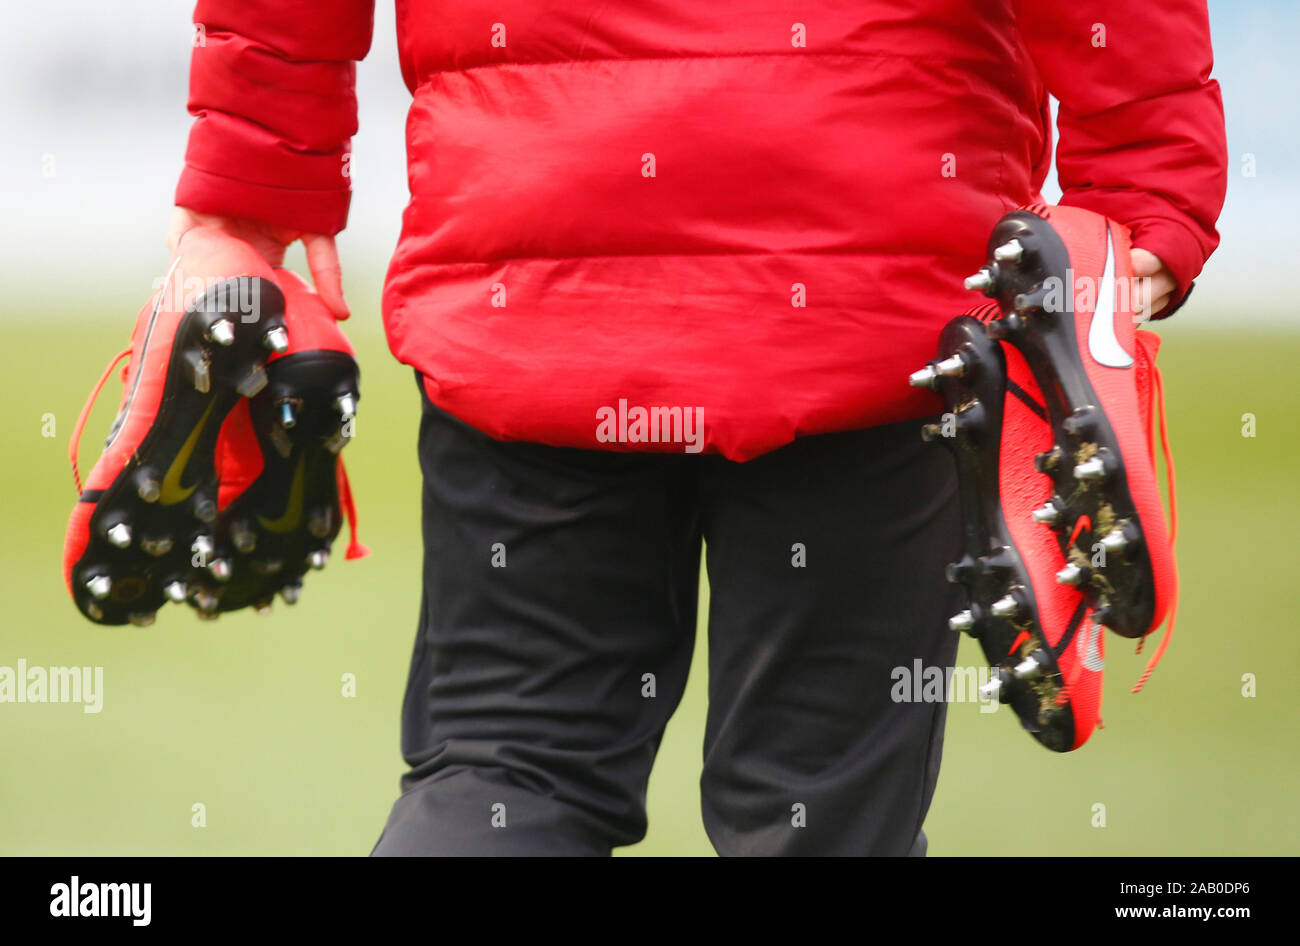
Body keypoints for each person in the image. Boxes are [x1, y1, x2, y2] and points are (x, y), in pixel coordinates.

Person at [167, 0, 1227, 855]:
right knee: (817, 816)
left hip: (534, 270)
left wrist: (248, 193)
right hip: (867, 286)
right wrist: (1141, 183)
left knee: (505, 778)